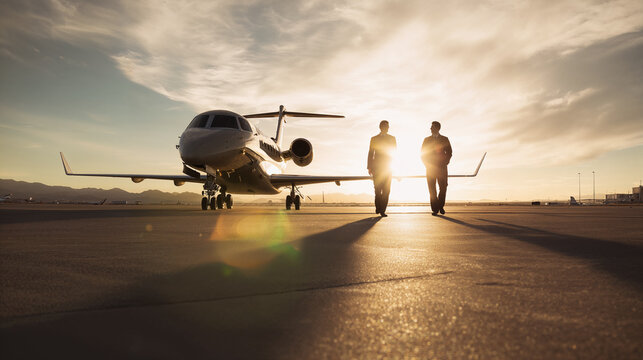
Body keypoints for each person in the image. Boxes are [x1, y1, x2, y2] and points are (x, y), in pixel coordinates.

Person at [421, 121, 452, 216]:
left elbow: (449, 152)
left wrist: (445, 162)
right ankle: (435, 209)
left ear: (437, 128)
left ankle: (440, 205)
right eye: (430, 127)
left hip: (442, 168)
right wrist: (427, 165)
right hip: (430, 168)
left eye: (432, 127)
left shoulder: (444, 139)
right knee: (432, 189)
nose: (430, 129)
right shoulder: (426, 140)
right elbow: (422, 154)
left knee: (443, 187)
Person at [367, 120, 397, 217]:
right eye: (385, 126)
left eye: (387, 126)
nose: (386, 128)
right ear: (380, 127)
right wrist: (369, 167)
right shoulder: (374, 139)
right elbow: (371, 153)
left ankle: (382, 210)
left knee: (386, 190)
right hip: (377, 168)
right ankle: (378, 206)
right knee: (377, 189)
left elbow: (394, 153)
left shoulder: (392, 139)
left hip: (388, 167)